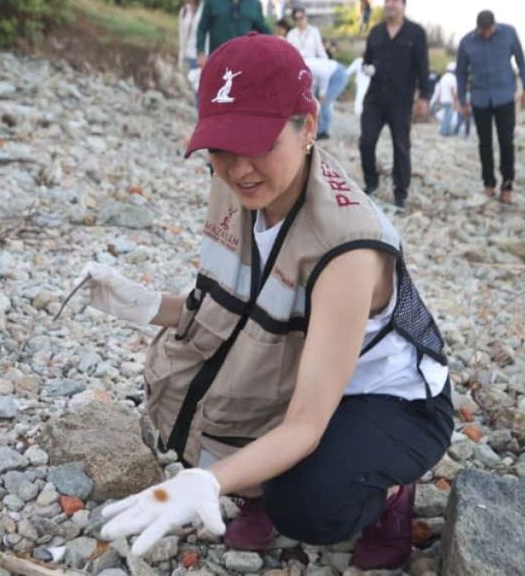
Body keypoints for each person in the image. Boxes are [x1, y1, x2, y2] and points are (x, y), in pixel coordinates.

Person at [80, 32, 453, 570]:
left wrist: (208, 480)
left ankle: (392, 492)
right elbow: (235, 312)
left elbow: (305, 423)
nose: (239, 169)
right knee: (194, 384)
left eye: (259, 145)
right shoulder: (240, 186)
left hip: (389, 399)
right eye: (222, 147)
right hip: (299, 358)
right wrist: (144, 305)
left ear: (308, 124)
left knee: (304, 504)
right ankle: (257, 484)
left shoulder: (347, 246)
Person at [359, 0, 430, 209]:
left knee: (401, 146)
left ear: (403, 5)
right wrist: (367, 68)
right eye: (387, 1)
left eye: (395, 1)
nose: (390, 5)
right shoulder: (376, 32)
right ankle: (371, 182)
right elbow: (366, 61)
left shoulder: (416, 33)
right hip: (374, 99)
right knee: (366, 142)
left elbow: (423, 67)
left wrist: (424, 97)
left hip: (401, 100)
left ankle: (400, 193)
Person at [456, 10, 525, 205]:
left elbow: (521, 62)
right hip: (480, 98)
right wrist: (463, 101)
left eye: (489, 30)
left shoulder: (509, 33)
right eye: (483, 31)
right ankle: (488, 183)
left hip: (504, 96)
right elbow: (461, 74)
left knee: (506, 141)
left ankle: (507, 185)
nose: (487, 34)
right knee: (484, 143)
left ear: (494, 26)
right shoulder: (467, 43)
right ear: (478, 28)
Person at [196, 0, 270, 68]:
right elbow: (202, 28)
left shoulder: (254, 4)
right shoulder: (211, 2)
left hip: (245, 62)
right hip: (218, 61)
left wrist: (275, 42)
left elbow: (262, 29)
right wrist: (200, 52)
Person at [306, 56, 348, 139]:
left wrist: (322, 93)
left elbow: (323, 75)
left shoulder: (308, 65)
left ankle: (323, 131)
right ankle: (317, 128)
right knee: (315, 102)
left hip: (337, 75)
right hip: (326, 76)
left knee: (325, 103)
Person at [430, 62, 458, 136]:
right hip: (449, 99)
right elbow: (452, 89)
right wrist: (455, 99)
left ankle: (443, 130)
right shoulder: (452, 78)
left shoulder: (444, 77)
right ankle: (445, 131)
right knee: (448, 116)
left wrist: (440, 98)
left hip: (443, 99)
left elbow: (440, 88)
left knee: (446, 115)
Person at [178, 0, 205, 70]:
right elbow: (182, 37)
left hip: (202, 57)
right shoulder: (184, 10)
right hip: (188, 56)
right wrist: (181, 58)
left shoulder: (205, 9)